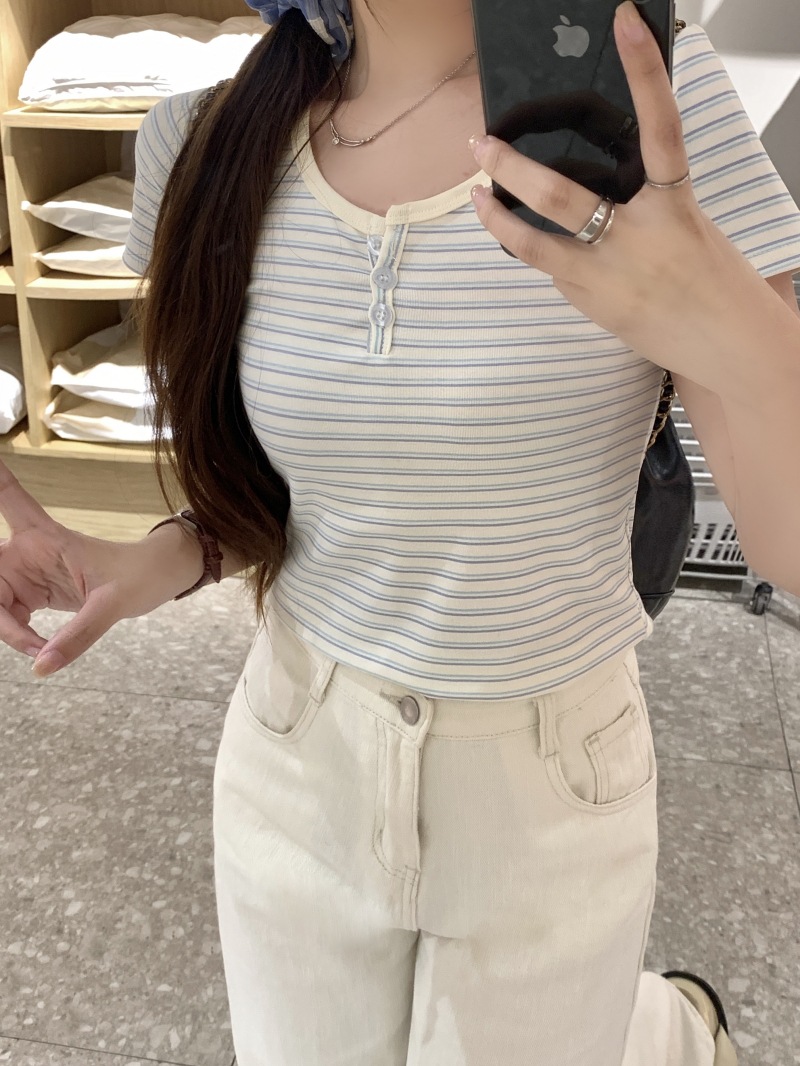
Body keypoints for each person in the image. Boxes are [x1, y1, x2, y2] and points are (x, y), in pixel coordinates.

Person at [1, 1, 799, 1062]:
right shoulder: (205, 140)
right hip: (296, 758)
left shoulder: (653, 102)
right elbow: (283, 496)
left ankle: (669, 1031)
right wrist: (153, 558)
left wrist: (746, 334)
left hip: (550, 782)